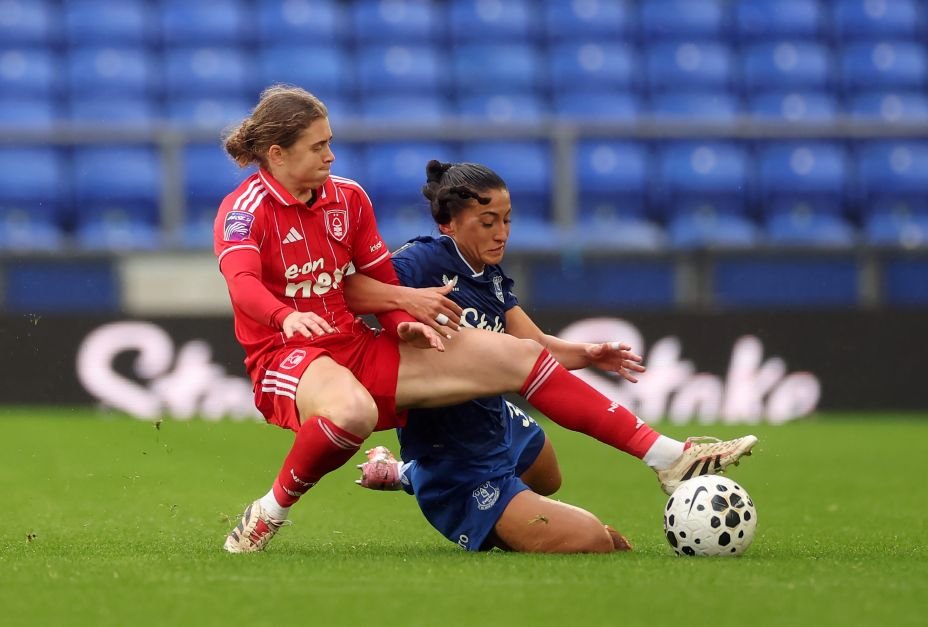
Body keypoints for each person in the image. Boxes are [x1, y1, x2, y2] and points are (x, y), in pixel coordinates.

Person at [214, 84, 757, 554]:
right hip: (288, 354)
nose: (332, 155)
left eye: (331, 141)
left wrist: (408, 317)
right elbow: (242, 287)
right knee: (351, 411)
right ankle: (268, 512)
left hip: (353, 343)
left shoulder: (348, 198)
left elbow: (379, 279)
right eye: (319, 145)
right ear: (278, 154)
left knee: (524, 358)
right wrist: (286, 319)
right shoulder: (245, 211)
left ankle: (669, 458)